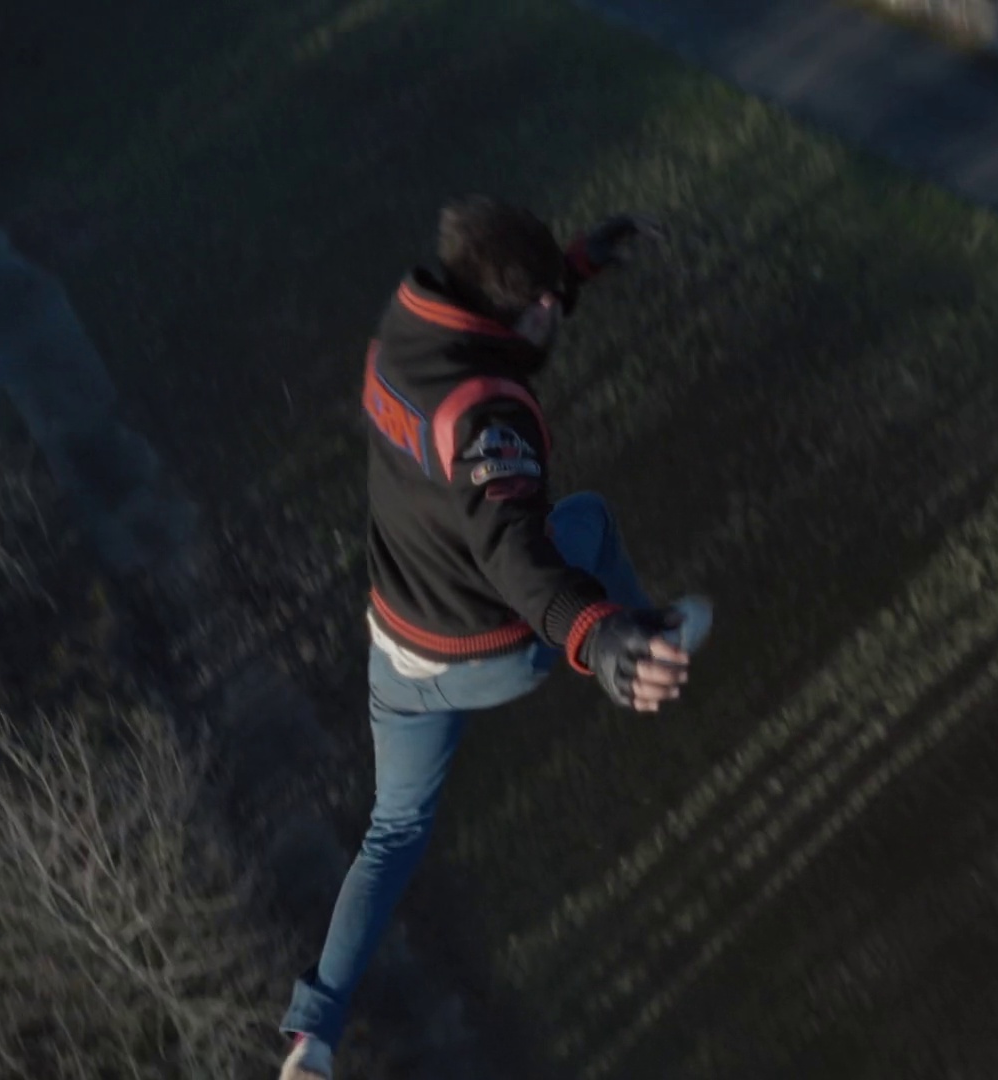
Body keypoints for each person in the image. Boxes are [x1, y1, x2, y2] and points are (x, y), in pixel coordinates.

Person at [279, 195, 709, 1080]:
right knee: (587, 520)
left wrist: (575, 267)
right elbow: (519, 561)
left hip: (397, 655)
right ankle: (650, 638)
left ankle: (311, 1039)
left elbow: (500, 321)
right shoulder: (487, 424)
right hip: (488, 656)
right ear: (530, 307)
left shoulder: (403, 331)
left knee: (391, 835)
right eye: (549, 300)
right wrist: (599, 638)